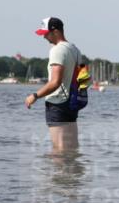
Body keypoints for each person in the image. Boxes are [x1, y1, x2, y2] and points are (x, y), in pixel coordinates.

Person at [24, 17, 82, 153]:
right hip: (72, 102)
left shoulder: (57, 51)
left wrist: (35, 96)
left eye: (46, 33)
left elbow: (55, 82)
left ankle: (58, 175)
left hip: (57, 103)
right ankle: (72, 174)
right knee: (72, 148)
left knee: (59, 150)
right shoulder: (74, 49)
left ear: (55, 31)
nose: (44, 37)